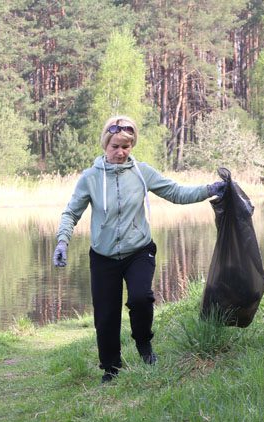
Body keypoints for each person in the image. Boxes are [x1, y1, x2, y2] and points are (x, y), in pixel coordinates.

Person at [53, 115, 226, 383]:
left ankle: (144, 345)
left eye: (126, 146)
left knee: (141, 298)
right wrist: (62, 240)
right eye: (115, 146)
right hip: (103, 256)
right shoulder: (90, 178)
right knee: (106, 315)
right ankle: (111, 368)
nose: (121, 152)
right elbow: (71, 212)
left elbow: (176, 193)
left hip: (139, 250)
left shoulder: (142, 173)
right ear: (105, 144)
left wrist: (210, 189)